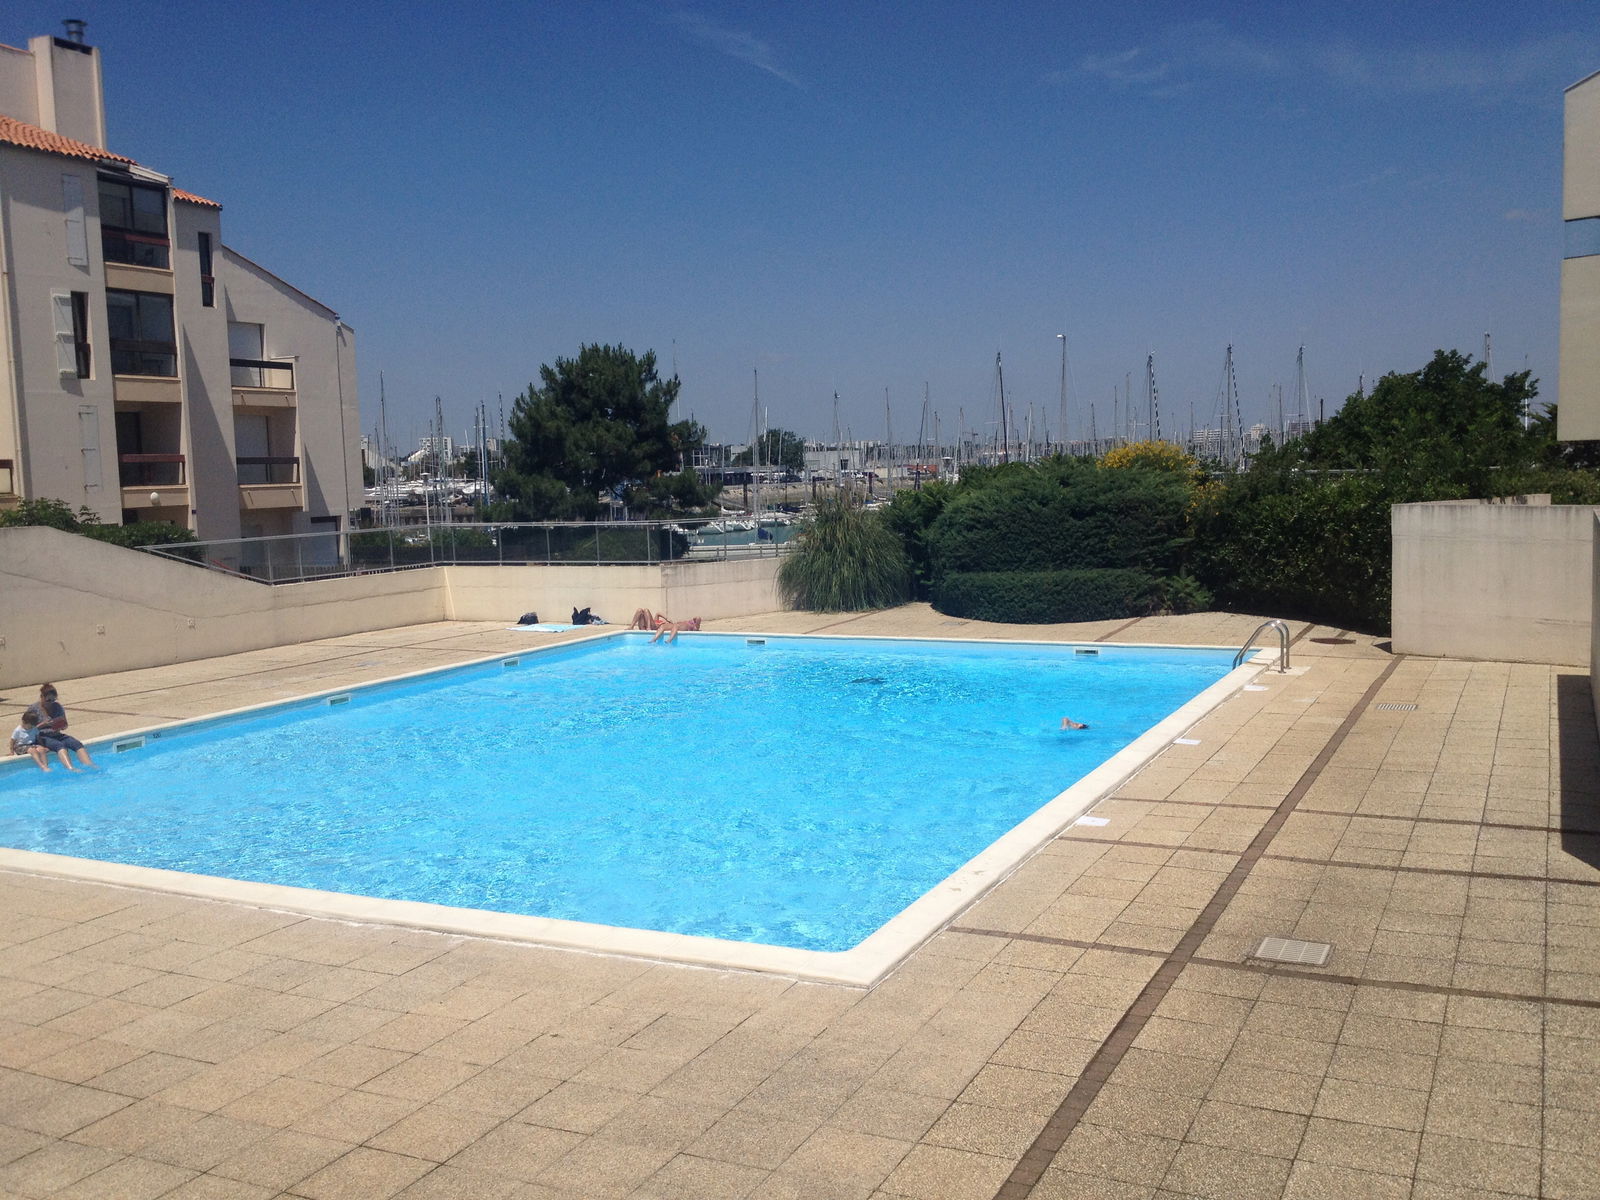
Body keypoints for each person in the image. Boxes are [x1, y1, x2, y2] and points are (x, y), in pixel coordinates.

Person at [27, 684, 96, 768]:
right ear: (42, 697)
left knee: (77, 744)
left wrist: (61, 726)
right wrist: (43, 724)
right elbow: (28, 729)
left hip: (57, 734)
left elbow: (65, 725)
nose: (51, 703)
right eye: (48, 700)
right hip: (42, 737)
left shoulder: (57, 707)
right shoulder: (33, 709)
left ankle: (90, 765)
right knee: (60, 746)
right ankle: (71, 768)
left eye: (53, 700)